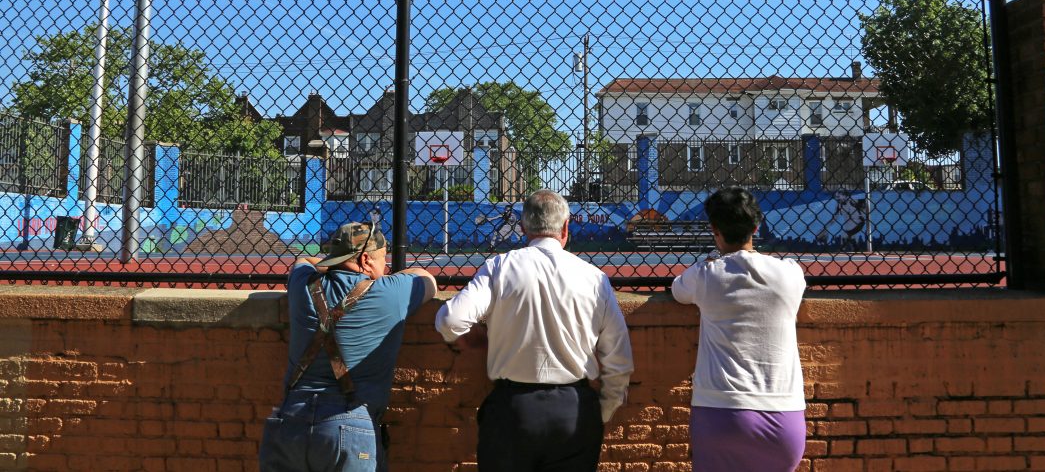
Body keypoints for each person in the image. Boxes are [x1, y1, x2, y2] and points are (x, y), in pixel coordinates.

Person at [435, 189, 634, 472]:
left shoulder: (500, 267)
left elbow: (450, 319)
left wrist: (469, 337)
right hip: (574, 408)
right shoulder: (594, 278)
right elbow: (619, 358)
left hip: (513, 409)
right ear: (566, 227)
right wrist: (602, 410)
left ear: (523, 227)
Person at [259, 221, 437, 472]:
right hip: (350, 423)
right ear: (365, 259)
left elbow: (302, 261)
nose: (384, 269)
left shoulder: (302, 285)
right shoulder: (391, 293)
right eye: (382, 261)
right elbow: (427, 279)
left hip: (290, 420)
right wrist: (386, 278)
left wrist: (329, 263)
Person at [671, 187, 807, 472]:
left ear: (715, 230)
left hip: (722, 410)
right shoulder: (790, 273)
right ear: (755, 228)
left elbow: (678, 291)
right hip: (784, 412)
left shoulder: (706, 274)